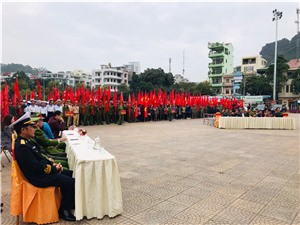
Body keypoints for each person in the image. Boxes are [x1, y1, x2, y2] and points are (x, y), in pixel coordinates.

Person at [11, 112, 76, 221]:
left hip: (40, 173)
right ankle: (64, 210)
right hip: (38, 178)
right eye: (31, 127)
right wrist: (55, 169)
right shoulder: (22, 146)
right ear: (23, 130)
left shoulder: (26, 142)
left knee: (69, 173)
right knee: (70, 182)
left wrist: (51, 163)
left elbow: (39, 157)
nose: (34, 129)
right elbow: (36, 167)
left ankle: (66, 203)